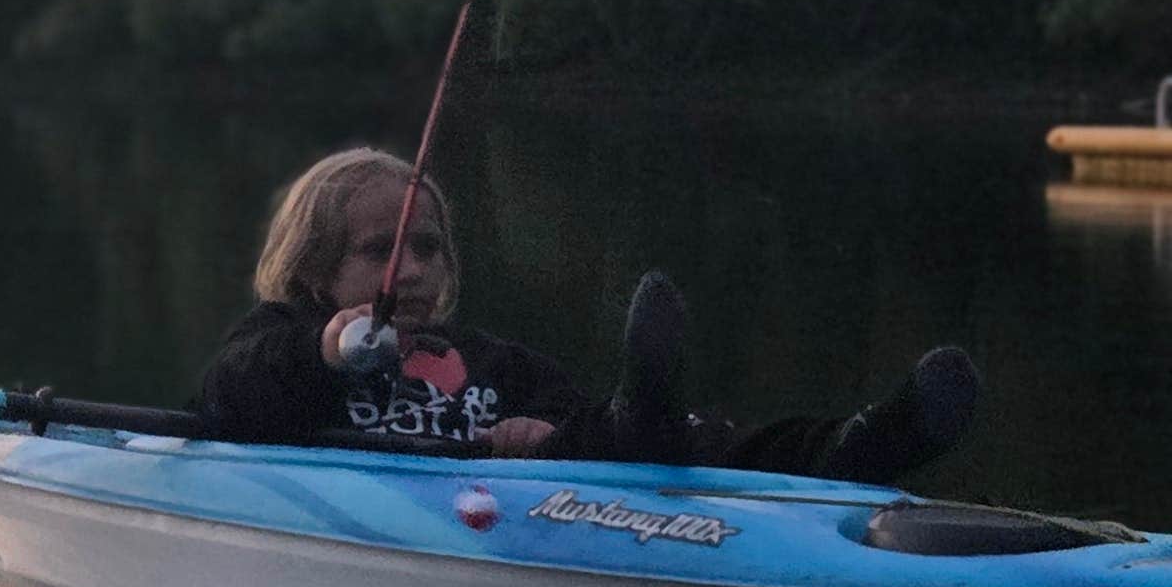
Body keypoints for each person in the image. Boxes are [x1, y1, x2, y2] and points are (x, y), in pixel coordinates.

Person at [190, 144, 978, 483]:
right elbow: (233, 394)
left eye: (430, 248)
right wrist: (330, 352)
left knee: (676, 433)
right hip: (398, 513)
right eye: (380, 251)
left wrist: (548, 437)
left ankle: (858, 443)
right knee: (628, 437)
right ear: (315, 270)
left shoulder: (489, 359)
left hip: (550, 498)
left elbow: (571, 414)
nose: (416, 269)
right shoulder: (283, 342)